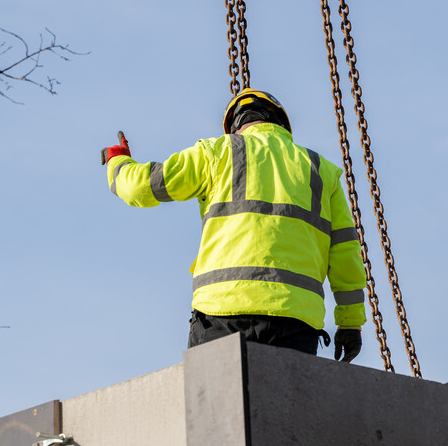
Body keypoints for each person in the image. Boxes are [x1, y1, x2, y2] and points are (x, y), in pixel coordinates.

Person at [100, 88, 366, 361]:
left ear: (234, 126)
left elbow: (141, 187)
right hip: (295, 321)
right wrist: (350, 323)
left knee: (215, 402)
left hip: (222, 314)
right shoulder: (321, 171)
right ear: (281, 124)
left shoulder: (217, 152)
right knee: (284, 403)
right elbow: (346, 255)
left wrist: (117, 161)